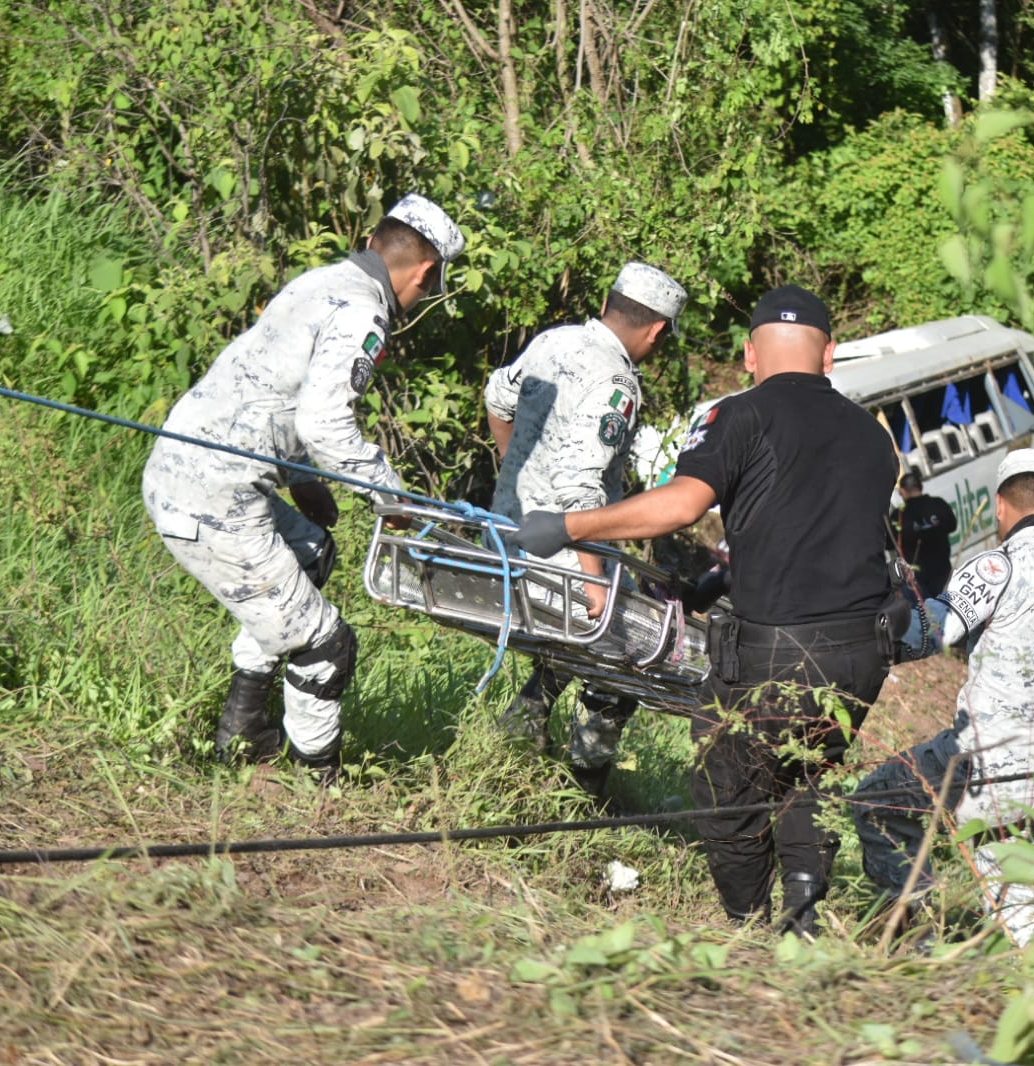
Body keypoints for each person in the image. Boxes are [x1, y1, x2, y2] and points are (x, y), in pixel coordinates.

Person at [505, 285, 900, 936]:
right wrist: (719, 579)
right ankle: (802, 928)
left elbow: (681, 505)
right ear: (829, 355)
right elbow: (817, 531)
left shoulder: (739, 415)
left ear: (749, 355)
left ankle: (747, 931)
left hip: (775, 649)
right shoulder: (872, 438)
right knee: (807, 773)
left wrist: (570, 526)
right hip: (861, 652)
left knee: (728, 791)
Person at [143, 194, 464, 780]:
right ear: (425, 272)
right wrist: (392, 499)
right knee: (327, 644)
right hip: (217, 497)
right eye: (432, 285)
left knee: (311, 551)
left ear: (373, 242)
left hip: (182, 469)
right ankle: (316, 780)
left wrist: (305, 480)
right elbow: (324, 423)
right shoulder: (364, 312)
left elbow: (272, 394)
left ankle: (243, 730)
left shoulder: (316, 283)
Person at [852, 448, 1034, 947]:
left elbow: (933, 631)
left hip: (980, 763)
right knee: (1015, 893)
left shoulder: (999, 565)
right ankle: (1013, 978)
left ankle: (924, 937)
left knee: (878, 802)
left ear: (999, 506)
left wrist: (877, 634)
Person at [484, 262, 688, 796]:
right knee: (628, 658)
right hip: (560, 555)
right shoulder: (616, 382)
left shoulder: (555, 340)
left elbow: (497, 397)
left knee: (583, 640)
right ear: (658, 330)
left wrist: (515, 475)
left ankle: (523, 726)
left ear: (607, 302)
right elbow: (582, 487)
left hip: (507, 533)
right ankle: (584, 788)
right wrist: (595, 580)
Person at [894, 470, 959, 597]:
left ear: (902, 491)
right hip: (941, 569)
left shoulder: (899, 516)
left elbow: (889, 544)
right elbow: (952, 525)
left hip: (913, 577)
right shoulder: (938, 504)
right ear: (920, 486)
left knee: (923, 614)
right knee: (945, 609)